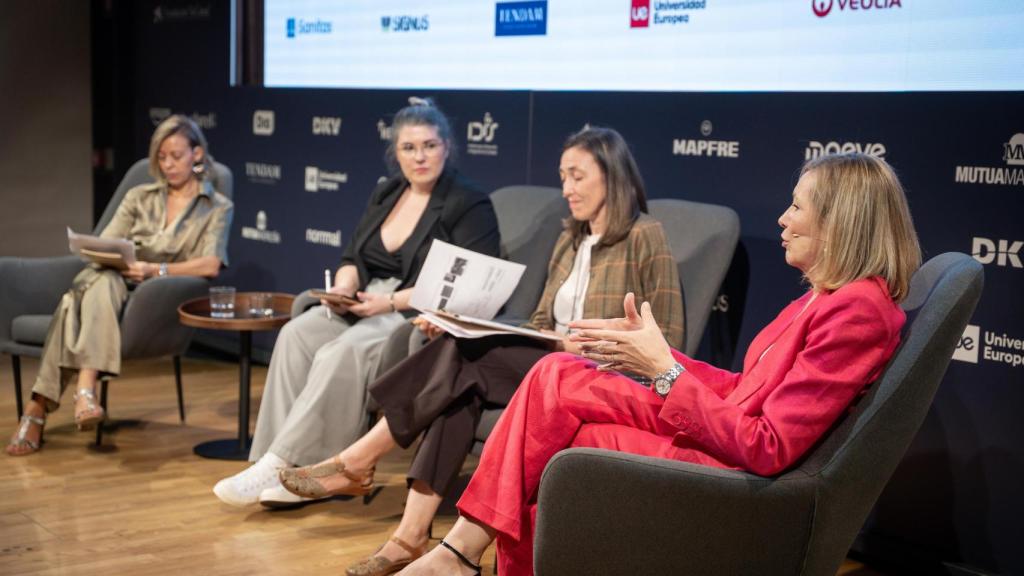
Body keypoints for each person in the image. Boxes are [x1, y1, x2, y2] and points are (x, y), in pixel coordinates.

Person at [400, 152, 922, 576]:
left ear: (842, 222)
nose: (783, 219)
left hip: (734, 467)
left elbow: (767, 447)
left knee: (561, 449)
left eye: (797, 207)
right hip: (723, 425)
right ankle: (462, 553)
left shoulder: (858, 311)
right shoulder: (825, 297)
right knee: (555, 374)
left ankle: (462, 555)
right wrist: (656, 354)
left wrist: (666, 374)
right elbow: (745, 386)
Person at [278, 126, 685, 576]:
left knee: (462, 360)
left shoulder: (647, 235)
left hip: (601, 376)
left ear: (612, 176)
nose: (566, 189)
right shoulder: (570, 238)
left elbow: (668, 340)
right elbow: (539, 324)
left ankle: (361, 463)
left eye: (577, 176)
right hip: (551, 365)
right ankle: (411, 537)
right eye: (562, 176)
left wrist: (588, 343)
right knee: (461, 377)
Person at [212, 100, 501, 506]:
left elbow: (468, 280)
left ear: (447, 147)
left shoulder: (467, 202)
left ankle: (298, 467)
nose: (419, 157)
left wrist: (389, 302)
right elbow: (353, 256)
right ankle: (272, 464)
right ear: (395, 152)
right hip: (367, 299)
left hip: (414, 311)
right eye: (409, 147)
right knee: (297, 333)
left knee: (342, 350)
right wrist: (345, 286)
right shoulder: (387, 191)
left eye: (429, 146)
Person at [6, 115, 233, 457]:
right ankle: (84, 392)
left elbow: (210, 263)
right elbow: (105, 242)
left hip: (150, 297)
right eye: (162, 157)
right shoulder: (140, 196)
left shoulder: (216, 207)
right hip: (114, 278)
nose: (168, 164)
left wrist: (155, 270)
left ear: (197, 154)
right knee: (102, 280)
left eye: (176, 155)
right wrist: (121, 259)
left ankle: (38, 409)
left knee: (73, 303)